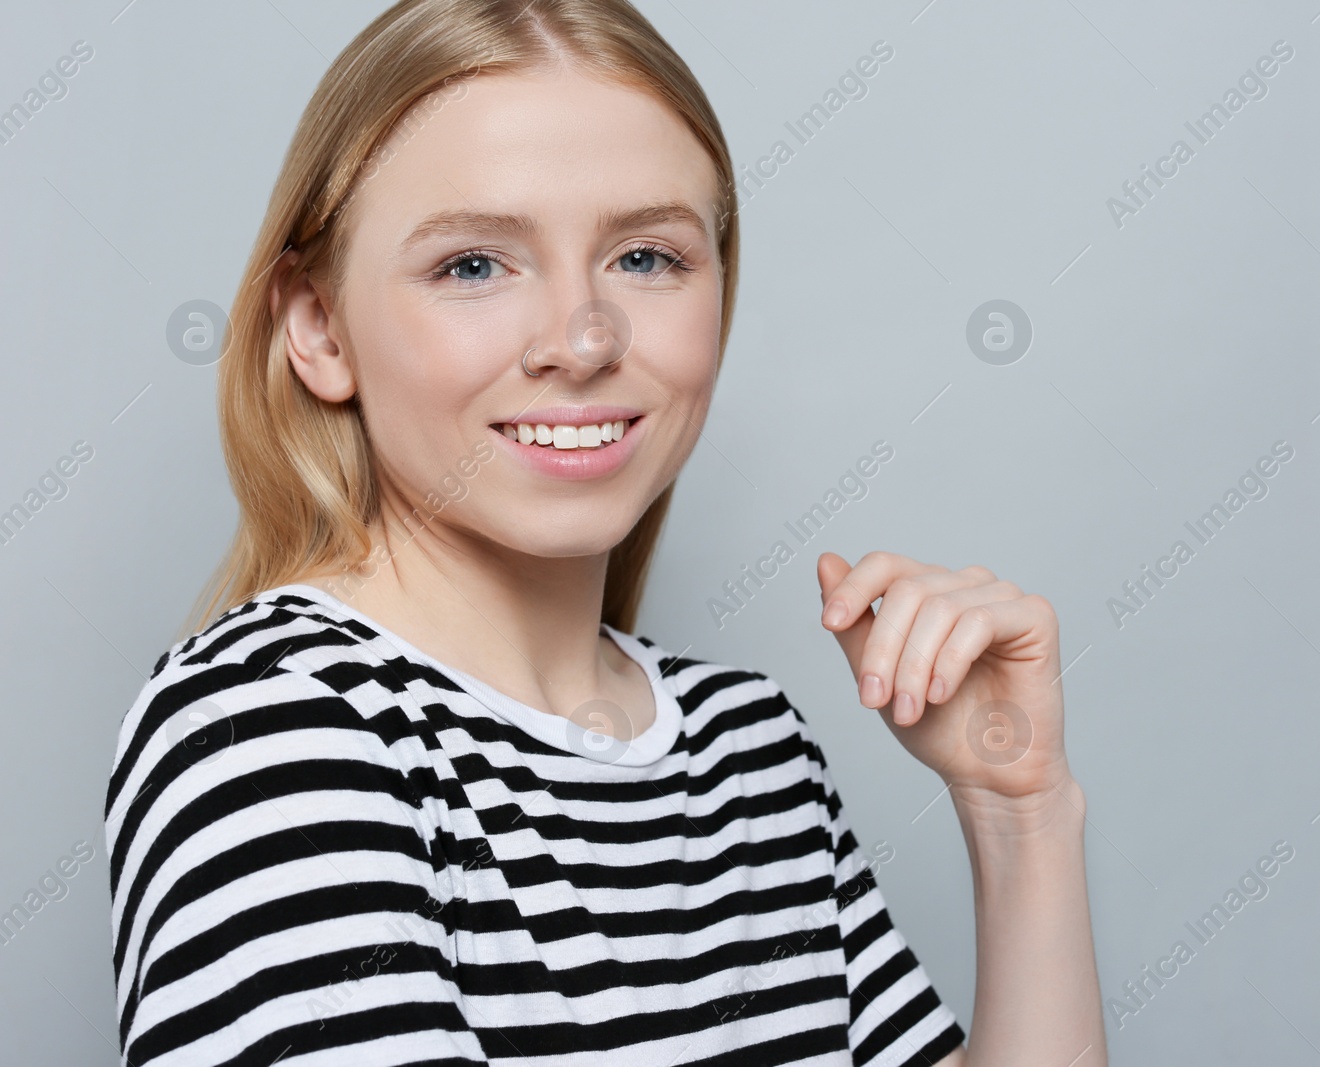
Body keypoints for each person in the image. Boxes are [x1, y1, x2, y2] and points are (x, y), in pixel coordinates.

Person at [103, 1, 1105, 1063]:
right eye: (474, 265)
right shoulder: (270, 732)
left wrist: (1020, 814)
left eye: (645, 256)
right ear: (318, 327)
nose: (581, 339)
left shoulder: (749, 749)